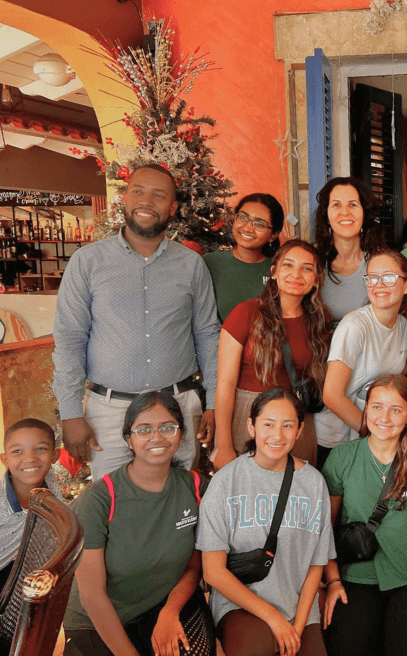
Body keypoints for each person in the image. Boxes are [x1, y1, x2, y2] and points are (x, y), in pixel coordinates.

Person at [53, 163, 220, 478]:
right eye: (138, 192)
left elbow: (208, 335)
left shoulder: (191, 265)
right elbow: (70, 339)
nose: (146, 202)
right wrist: (71, 413)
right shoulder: (87, 262)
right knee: (112, 501)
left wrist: (213, 404)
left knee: (179, 499)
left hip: (178, 409)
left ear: (172, 208)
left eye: (158, 195)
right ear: (125, 197)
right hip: (108, 414)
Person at [64, 392, 214, 656]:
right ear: (129, 439)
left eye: (167, 427)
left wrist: (170, 612)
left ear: (180, 434)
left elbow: (193, 566)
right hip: (100, 621)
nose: (157, 438)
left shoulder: (195, 488)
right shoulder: (99, 500)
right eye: (144, 430)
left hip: (164, 604)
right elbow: (92, 597)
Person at [198, 388, 333, 656]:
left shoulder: (314, 483)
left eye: (287, 426)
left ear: (299, 430)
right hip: (240, 606)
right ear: (251, 426)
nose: (277, 435)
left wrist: (298, 626)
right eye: (268, 424)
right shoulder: (226, 481)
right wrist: (273, 618)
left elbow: (316, 565)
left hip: (297, 608)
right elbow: (213, 572)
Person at [321, 375, 407, 656]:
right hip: (355, 576)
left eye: (395, 410)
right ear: (366, 409)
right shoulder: (342, 457)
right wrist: (333, 581)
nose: (384, 418)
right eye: (376, 407)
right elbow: (325, 528)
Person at [213, 240, 330, 469]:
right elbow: (225, 384)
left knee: (292, 486)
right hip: (248, 416)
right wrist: (224, 445)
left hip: (294, 419)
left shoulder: (318, 320)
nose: (296, 274)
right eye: (288, 265)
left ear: (316, 279)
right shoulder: (246, 313)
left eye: (307, 268)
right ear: (274, 272)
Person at [317, 250, 407, 467]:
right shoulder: (355, 325)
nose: (379, 284)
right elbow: (332, 395)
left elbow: (398, 368)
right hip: (337, 438)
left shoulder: (405, 328)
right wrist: (374, 432)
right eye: (372, 278)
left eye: (389, 277)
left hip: (372, 437)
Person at [313, 177, 386, 325]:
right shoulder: (311, 261)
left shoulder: (382, 262)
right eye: (336, 205)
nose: (345, 212)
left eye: (353, 204)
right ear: (326, 215)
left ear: (364, 213)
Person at [0, 418, 61, 591]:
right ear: (5, 459)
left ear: (55, 455)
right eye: (17, 451)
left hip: (24, 572)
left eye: (40, 449)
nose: (30, 459)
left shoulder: (49, 482)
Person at [204, 193, 284, 322]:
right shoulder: (209, 263)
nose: (247, 228)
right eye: (243, 218)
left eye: (259, 224)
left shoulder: (280, 269)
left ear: (273, 235)